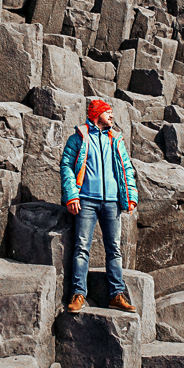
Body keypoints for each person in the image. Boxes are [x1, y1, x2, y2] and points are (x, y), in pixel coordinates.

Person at [58, 99, 138, 314]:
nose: (111, 116)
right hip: (86, 201)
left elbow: (126, 169)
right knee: (82, 248)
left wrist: (130, 196)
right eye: (108, 112)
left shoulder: (116, 139)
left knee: (114, 249)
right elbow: (66, 166)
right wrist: (72, 196)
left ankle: (116, 295)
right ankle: (78, 294)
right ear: (96, 114)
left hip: (112, 202)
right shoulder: (78, 138)